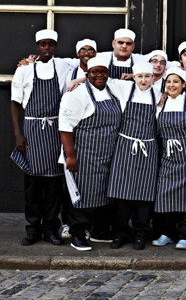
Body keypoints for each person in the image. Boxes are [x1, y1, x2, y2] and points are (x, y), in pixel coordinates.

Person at [10, 29, 73, 246]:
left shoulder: (64, 66)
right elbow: (15, 103)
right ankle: (33, 229)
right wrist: (19, 134)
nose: (46, 48)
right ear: (37, 46)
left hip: (56, 129)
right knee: (33, 184)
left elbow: (88, 62)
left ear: (55, 46)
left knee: (54, 185)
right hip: (33, 129)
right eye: (43, 44)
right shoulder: (25, 71)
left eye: (50, 44)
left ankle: (50, 229)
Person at [59, 57, 122, 251]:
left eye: (103, 71)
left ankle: (100, 231)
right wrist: (70, 156)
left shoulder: (114, 90)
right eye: (95, 72)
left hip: (108, 153)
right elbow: (65, 127)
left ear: (108, 74)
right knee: (83, 194)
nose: (99, 75)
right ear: (88, 74)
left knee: (104, 193)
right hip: (84, 154)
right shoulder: (76, 95)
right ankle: (78, 234)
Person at [106, 62, 161, 250]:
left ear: (153, 78)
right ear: (134, 77)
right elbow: (102, 78)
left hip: (148, 148)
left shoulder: (159, 95)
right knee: (122, 196)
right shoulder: (124, 89)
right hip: (125, 146)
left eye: (147, 76)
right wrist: (79, 79)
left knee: (145, 196)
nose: (144, 80)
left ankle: (140, 234)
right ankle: (120, 234)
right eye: (140, 76)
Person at [154, 67, 186, 250]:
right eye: (168, 82)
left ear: (184, 85)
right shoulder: (161, 103)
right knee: (165, 192)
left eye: (176, 82)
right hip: (168, 153)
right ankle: (167, 233)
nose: (171, 85)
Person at [60, 38, 98, 240]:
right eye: (82, 50)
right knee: (71, 185)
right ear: (77, 54)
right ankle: (68, 224)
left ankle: (88, 226)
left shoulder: (102, 75)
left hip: (96, 146)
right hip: (73, 135)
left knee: (90, 188)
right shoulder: (68, 70)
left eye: (91, 50)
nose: (87, 53)